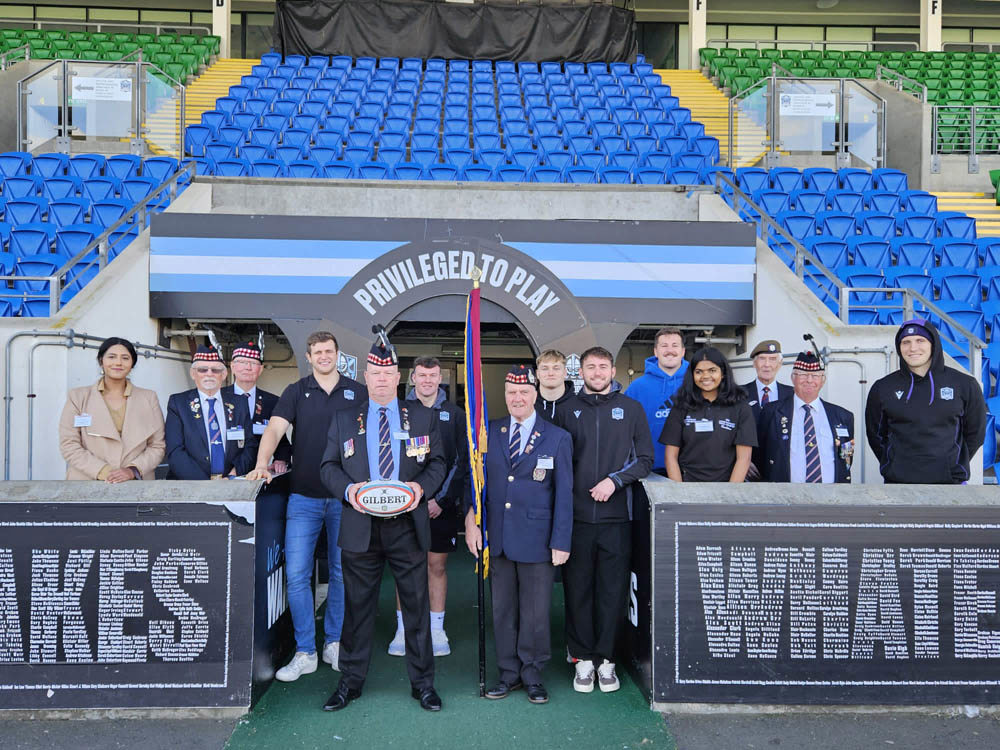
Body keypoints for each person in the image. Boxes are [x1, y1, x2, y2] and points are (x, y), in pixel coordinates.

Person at [319, 334, 447, 713]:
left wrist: (419, 489)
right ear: (366, 375)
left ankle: (423, 685)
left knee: (416, 606)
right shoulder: (345, 419)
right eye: (374, 373)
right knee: (357, 609)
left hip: (407, 525)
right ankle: (349, 683)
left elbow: (438, 463)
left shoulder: (422, 416)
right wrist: (350, 491)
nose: (380, 379)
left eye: (387, 372)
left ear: (398, 377)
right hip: (360, 524)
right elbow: (327, 466)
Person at [246, 332, 366, 680]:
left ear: (338, 355)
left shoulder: (357, 392)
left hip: (346, 500)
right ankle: (305, 651)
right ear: (309, 357)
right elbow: (274, 429)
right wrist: (262, 463)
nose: (324, 356)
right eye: (318, 352)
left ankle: (334, 644)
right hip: (303, 498)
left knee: (343, 574)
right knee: (297, 575)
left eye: (329, 351)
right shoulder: (296, 391)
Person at [465, 365, 573, 705]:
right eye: (512, 393)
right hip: (497, 537)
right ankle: (508, 674)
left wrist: (561, 540)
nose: (517, 398)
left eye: (524, 392)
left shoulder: (557, 437)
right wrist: (472, 520)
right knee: (504, 610)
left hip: (538, 538)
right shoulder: (489, 433)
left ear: (535, 394)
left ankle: (533, 674)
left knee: (536, 612)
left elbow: (564, 493)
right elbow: (476, 485)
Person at [553, 346, 653, 694]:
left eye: (603, 367)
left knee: (612, 592)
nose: (597, 372)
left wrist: (615, 481)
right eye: (590, 367)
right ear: (581, 372)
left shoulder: (631, 410)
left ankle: (607, 659)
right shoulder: (566, 411)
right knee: (578, 591)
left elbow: (644, 459)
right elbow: (558, 464)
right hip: (577, 520)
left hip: (616, 520)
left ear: (613, 371)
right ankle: (582, 660)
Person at [388, 356, 469, 658]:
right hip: (405, 504)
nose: (427, 381)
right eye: (421, 375)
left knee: (435, 566)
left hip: (440, 505)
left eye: (433, 376)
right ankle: (403, 629)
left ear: (441, 379)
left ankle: (436, 629)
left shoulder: (455, 414)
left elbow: (461, 461)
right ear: (412, 379)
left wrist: (439, 500)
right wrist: (408, 498)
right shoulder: (398, 411)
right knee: (406, 567)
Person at [865, 318, 987, 484]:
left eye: (920, 340)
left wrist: (952, 465)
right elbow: (875, 435)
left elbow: (976, 434)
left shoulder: (965, 385)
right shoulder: (883, 388)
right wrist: (894, 465)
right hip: (898, 485)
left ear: (933, 344)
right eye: (905, 342)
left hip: (950, 484)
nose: (912, 348)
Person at [59, 337, 165, 482]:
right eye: (112, 357)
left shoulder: (149, 398)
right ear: (101, 360)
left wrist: (133, 470)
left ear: (132, 363)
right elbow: (69, 444)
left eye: (125, 358)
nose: (118, 363)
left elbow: (158, 445)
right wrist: (105, 472)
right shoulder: (78, 397)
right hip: (87, 482)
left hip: (136, 484)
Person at [660, 347, 757, 483]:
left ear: (723, 373)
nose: (705, 376)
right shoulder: (681, 405)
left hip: (727, 487)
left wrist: (729, 495)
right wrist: (679, 493)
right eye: (699, 372)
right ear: (692, 375)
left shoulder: (740, 406)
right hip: (687, 486)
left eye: (712, 371)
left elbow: (744, 458)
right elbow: (670, 456)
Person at [757, 352, 855, 483]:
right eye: (802, 375)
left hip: (831, 498)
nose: (809, 380)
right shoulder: (772, 412)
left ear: (823, 380)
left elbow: (846, 458)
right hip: (783, 497)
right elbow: (759, 455)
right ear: (793, 378)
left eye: (815, 376)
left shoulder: (843, 416)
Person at [165, 345, 256, 480]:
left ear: (224, 375)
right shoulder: (178, 403)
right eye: (202, 369)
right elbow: (175, 451)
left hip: (230, 484)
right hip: (190, 485)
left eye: (215, 370)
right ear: (193, 374)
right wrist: (206, 485)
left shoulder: (239, 403)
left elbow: (250, 445)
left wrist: (233, 474)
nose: (209, 374)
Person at [624, 327, 688, 474]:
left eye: (675, 345)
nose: (669, 350)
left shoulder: (697, 384)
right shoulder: (637, 387)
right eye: (664, 346)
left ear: (683, 351)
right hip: (649, 469)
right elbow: (624, 429)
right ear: (655, 351)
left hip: (691, 469)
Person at [222, 340, 290, 473]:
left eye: (253, 363)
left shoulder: (272, 401)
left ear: (261, 369)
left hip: (259, 472)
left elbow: (281, 439)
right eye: (242, 362)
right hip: (225, 473)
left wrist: (281, 459)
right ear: (232, 366)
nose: (248, 367)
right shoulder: (219, 398)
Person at [740, 340, 793, 422]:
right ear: (754, 363)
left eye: (772, 359)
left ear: (780, 363)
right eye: (762, 359)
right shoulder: (739, 393)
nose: (767, 364)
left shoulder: (792, 394)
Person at [534, 349, 576, 422]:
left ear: (565, 372)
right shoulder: (527, 406)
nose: (550, 373)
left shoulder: (580, 406)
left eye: (556, 368)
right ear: (537, 374)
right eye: (545, 368)